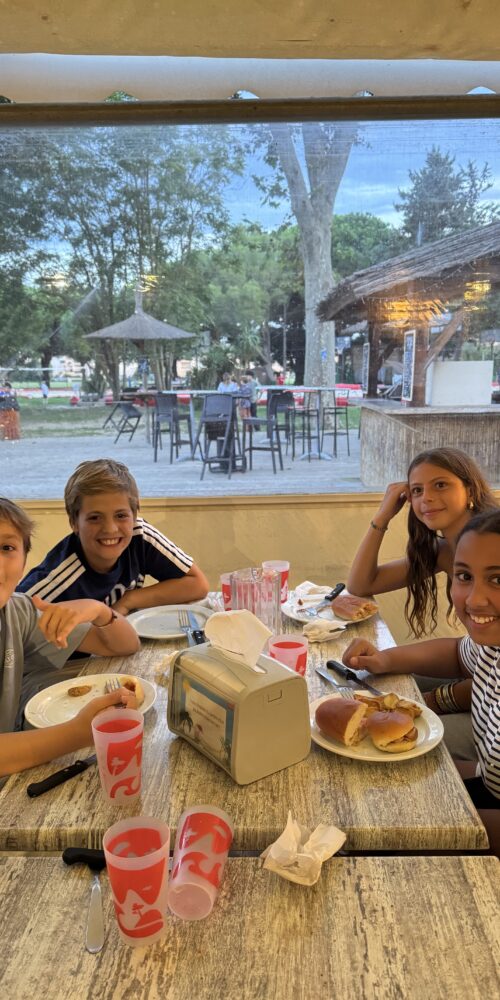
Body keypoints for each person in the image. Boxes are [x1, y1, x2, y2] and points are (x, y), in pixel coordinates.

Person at [342, 508, 500, 857]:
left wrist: (420, 825)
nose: (474, 599)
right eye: (464, 576)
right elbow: (458, 653)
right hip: (486, 783)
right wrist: (385, 659)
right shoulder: (491, 645)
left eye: (497, 580)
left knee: (364, 838)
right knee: (358, 790)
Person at [346, 447, 498, 756]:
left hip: (483, 698)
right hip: (478, 676)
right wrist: (382, 516)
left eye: (440, 485)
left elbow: (488, 679)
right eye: (416, 490)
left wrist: (433, 701)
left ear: (470, 490)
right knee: (376, 684)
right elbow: (361, 585)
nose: (426, 498)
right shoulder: (443, 550)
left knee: (387, 738)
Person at [0, 496, 140, 769]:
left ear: (24, 559)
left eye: (7, 547)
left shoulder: (17, 611)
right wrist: (78, 733)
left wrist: (98, 611)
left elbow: (124, 645)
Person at [18, 459, 209, 615]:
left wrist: (129, 600)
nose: (110, 529)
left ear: (134, 516)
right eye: (95, 518)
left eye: (121, 515)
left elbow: (197, 584)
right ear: (74, 523)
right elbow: (11, 616)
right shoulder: (58, 579)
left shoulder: (140, 536)